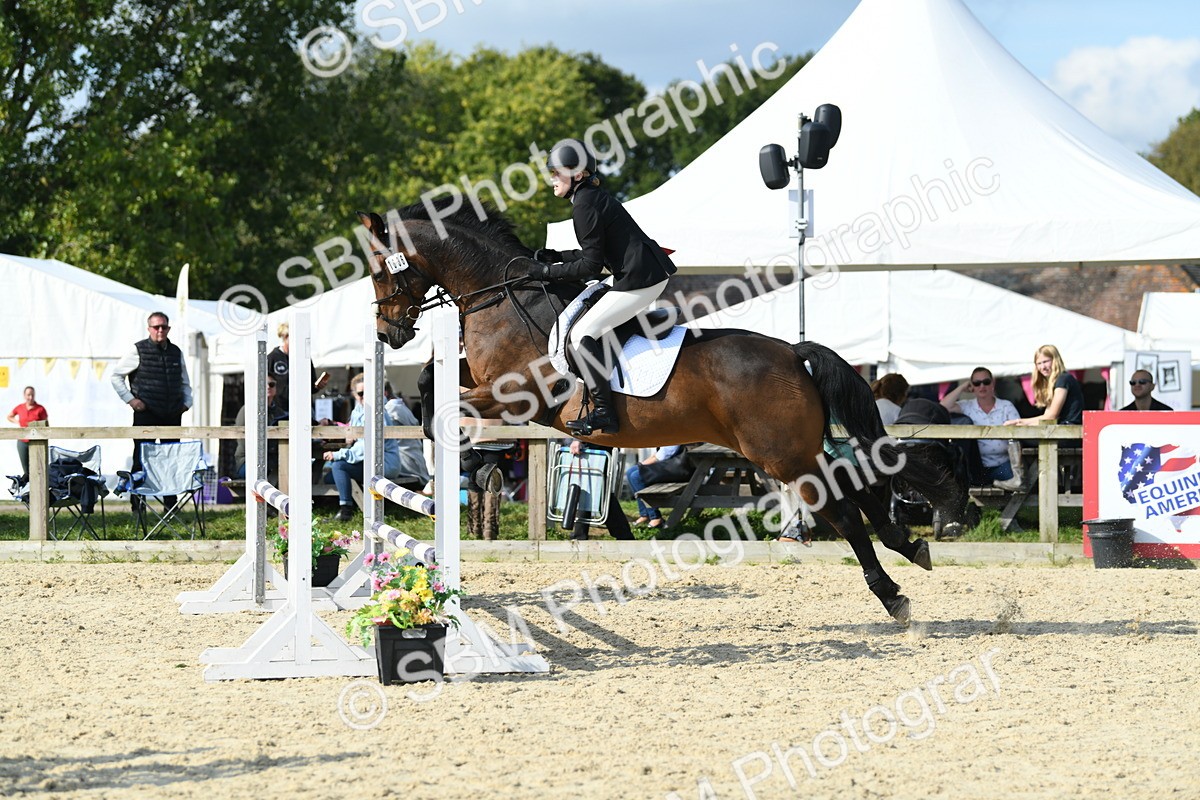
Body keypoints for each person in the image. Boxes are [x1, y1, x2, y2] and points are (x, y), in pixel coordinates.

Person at [532, 138, 677, 435]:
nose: (551, 178)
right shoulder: (589, 198)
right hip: (638, 273)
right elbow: (592, 255)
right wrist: (558, 257)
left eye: (556, 172)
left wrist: (548, 272)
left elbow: (589, 267)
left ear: (578, 173)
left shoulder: (585, 204)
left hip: (640, 280)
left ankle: (603, 412)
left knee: (583, 334)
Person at [110, 312, 192, 507]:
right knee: (141, 459)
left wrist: (186, 403)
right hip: (146, 414)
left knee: (171, 459)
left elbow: (184, 381)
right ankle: (137, 506)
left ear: (169, 328)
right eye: (156, 327)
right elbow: (116, 376)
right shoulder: (138, 350)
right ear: (149, 329)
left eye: (163, 326)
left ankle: (170, 507)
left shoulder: (176, 351)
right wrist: (131, 400)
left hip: (172, 413)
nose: (160, 330)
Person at [322, 372, 407, 522]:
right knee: (329, 476)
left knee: (339, 466)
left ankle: (345, 511)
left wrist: (338, 454)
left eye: (368, 392)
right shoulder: (358, 411)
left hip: (384, 463)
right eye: (361, 393)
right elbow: (357, 441)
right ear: (354, 394)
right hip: (369, 461)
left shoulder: (378, 412)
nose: (364, 396)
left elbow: (367, 446)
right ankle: (351, 503)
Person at [940, 367, 1023, 490]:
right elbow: (942, 407)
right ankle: (976, 509)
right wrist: (962, 387)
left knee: (1018, 487)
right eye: (977, 383)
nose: (982, 386)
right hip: (977, 467)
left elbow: (1020, 434)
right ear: (972, 386)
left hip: (1003, 464)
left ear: (993, 383)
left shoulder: (1006, 406)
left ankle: (1005, 509)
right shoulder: (966, 406)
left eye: (986, 382)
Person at [565, 439, 632, 541]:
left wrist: (579, 439)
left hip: (596, 442)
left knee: (597, 491)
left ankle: (624, 536)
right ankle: (624, 535)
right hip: (601, 441)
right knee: (594, 490)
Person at [1005, 344, 1084, 426]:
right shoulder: (1056, 381)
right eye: (1039, 363)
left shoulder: (1063, 379)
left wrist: (1020, 422)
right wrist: (1020, 422)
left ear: (1055, 360)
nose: (1042, 367)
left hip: (1070, 430)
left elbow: (1052, 416)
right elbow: (1047, 416)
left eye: (1046, 362)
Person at [624, 444, 692, 530]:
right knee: (630, 472)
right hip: (669, 464)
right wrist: (641, 465)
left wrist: (641, 466)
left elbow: (664, 455)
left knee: (636, 476)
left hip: (677, 468)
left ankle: (655, 517)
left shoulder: (674, 432)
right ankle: (645, 514)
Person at [233, 377, 288, 481]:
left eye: (271, 384)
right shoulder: (247, 409)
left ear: (275, 389)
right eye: (264, 384)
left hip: (273, 460)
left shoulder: (279, 411)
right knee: (279, 470)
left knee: (294, 468)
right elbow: (242, 439)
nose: (268, 387)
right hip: (248, 461)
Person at [383, 382, 431, 486]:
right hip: (414, 462)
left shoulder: (390, 410)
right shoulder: (400, 406)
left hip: (407, 465)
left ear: (384, 393)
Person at [7, 386, 48, 478]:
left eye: (32, 395)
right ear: (24, 396)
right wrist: (17, 422)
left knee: (37, 466)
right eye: (28, 395)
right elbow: (9, 416)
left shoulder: (40, 409)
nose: (30, 397)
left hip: (36, 441)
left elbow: (46, 424)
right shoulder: (20, 407)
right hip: (22, 440)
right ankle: (28, 487)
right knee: (26, 468)